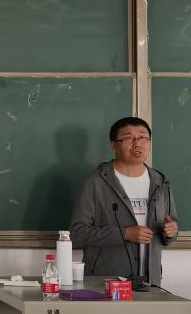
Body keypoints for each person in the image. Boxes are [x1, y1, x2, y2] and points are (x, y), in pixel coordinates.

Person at [69, 117, 178, 286]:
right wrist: (125, 234)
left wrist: (170, 232)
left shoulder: (160, 182)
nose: (137, 143)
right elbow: (77, 234)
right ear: (113, 145)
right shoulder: (95, 182)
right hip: (107, 282)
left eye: (143, 137)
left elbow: (171, 226)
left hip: (150, 282)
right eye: (128, 138)